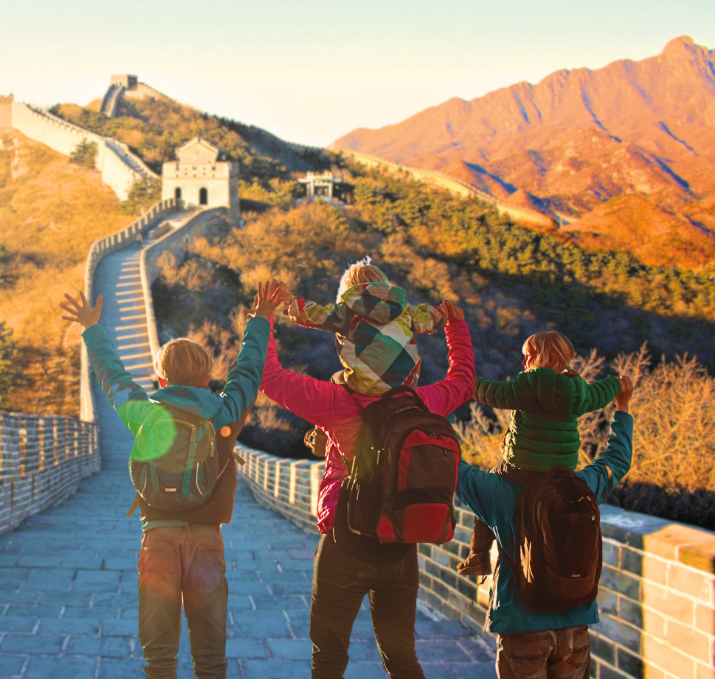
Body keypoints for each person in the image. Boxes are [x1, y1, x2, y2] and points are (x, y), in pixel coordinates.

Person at [61, 281, 284, 679]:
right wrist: (261, 320)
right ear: (207, 378)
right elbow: (248, 371)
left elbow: (113, 377)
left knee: (159, 660)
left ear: (161, 380)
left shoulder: (145, 413)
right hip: (207, 541)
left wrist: (92, 329)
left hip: (158, 538)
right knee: (210, 661)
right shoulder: (223, 413)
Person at [260, 277, 475, 678]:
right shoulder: (422, 403)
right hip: (400, 543)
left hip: (346, 542)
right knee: (402, 658)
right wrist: (456, 328)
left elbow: (269, 377)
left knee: (328, 657)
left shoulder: (335, 402)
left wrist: (263, 318)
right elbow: (463, 382)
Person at [455, 376, 634, 678]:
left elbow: (447, 463)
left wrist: (440, 404)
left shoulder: (497, 491)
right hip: (576, 626)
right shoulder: (581, 487)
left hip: (522, 626)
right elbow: (618, 459)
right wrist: (623, 407)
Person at [456, 332, 621, 576]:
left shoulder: (529, 385)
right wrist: (617, 383)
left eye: (529, 356)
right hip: (561, 471)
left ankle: (478, 555)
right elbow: (601, 393)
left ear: (549, 357)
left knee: (486, 491)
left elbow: (491, 392)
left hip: (521, 469)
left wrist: (463, 380)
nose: (524, 362)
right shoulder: (579, 390)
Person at [283, 257, 447, 395]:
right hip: (406, 385)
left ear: (349, 288)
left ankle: (331, 424)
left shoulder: (345, 312)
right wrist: (445, 312)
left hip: (364, 387)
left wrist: (289, 301)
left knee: (336, 381)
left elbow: (310, 314)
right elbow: (432, 318)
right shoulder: (405, 310)